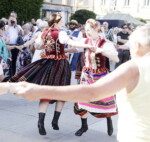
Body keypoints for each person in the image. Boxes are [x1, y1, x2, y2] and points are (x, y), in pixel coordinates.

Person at [5, 25, 150, 142]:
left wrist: (39, 91)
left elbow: (92, 92)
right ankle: (81, 125)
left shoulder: (133, 66)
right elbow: (74, 46)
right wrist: (68, 48)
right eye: (86, 31)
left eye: (89, 31)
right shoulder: (80, 40)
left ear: (137, 45)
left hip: (137, 135)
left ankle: (108, 122)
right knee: (81, 104)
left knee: (104, 101)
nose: (87, 34)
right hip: (82, 72)